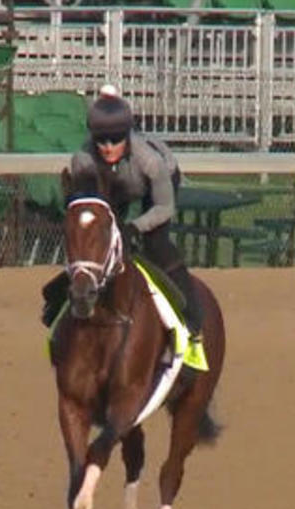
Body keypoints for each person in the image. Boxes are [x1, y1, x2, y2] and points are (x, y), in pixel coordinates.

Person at [41, 84, 204, 351]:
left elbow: (165, 209)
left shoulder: (150, 161)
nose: (107, 148)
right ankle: (58, 304)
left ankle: (192, 317)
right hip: (111, 190)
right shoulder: (83, 161)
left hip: (153, 189)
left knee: (156, 245)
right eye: (101, 141)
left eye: (115, 140)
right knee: (93, 244)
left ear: (126, 137)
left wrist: (134, 228)